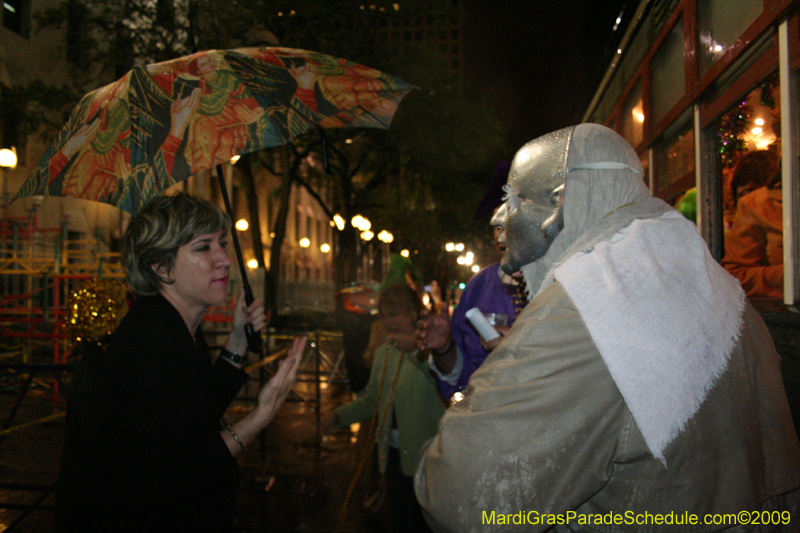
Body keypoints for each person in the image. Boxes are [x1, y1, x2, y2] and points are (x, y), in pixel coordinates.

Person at [414, 124, 800, 532]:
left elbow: (458, 499)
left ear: (565, 199)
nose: (499, 216)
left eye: (516, 198)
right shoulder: (715, 286)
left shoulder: (586, 307)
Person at [55, 193, 306, 532]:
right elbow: (172, 475)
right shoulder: (148, 343)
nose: (224, 259)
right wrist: (259, 416)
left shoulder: (174, 327)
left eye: (221, 243)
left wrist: (237, 341)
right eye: (203, 247)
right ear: (160, 266)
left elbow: (192, 412)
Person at [325, 282, 445, 533]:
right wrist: (338, 416)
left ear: (413, 313)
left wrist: (415, 350)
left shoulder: (432, 351)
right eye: (384, 315)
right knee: (400, 522)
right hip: (391, 457)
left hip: (428, 458)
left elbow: (443, 379)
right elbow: (373, 401)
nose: (389, 321)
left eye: (395, 313)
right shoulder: (383, 353)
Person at [421, 161, 523, 402]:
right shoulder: (478, 287)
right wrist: (444, 347)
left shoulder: (560, 286)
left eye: (511, 224)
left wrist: (520, 350)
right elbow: (462, 378)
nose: (502, 237)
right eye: (497, 227)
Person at [722, 158, 783, 300]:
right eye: (741, 183)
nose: (747, 188)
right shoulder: (753, 205)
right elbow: (735, 275)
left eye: (757, 181)